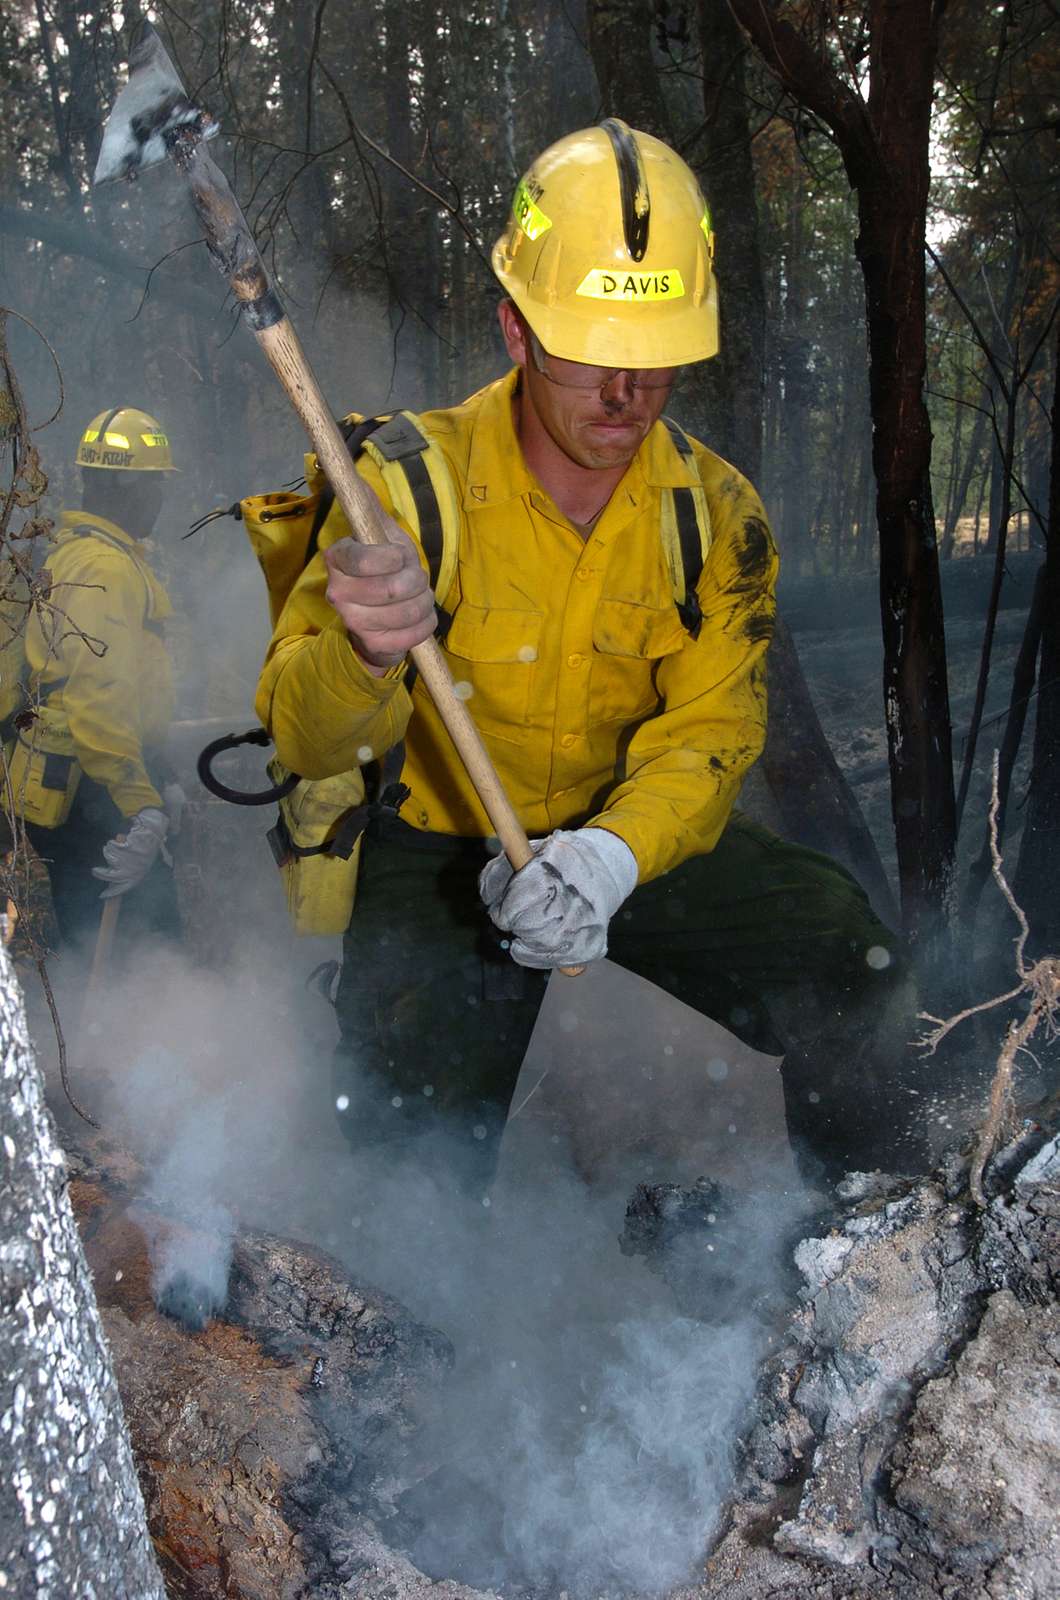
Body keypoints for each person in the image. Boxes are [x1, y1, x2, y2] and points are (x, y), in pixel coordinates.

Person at [256, 121, 913, 1184]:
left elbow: (712, 729)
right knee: (403, 1153)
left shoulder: (714, 513)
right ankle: (410, 1324)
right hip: (442, 842)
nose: (626, 397)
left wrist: (608, 857)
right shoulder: (404, 491)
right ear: (516, 331)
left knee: (853, 965)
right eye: (593, 356)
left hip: (627, 832)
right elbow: (301, 725)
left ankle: (875, 1255)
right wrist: (364, 656)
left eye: (652, 363)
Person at [12, 406, 184, 954]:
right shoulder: (106, 569)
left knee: (98, 938)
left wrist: (164, 773)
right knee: (137, 948)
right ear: (124, 487)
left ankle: (107, 1033)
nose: (158, 499)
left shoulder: (77, 555)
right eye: (154, 484)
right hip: (98, 793)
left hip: (87, 783)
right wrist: (140, 806)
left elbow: (121, 689)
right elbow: (98, 698)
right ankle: (122, 1039)